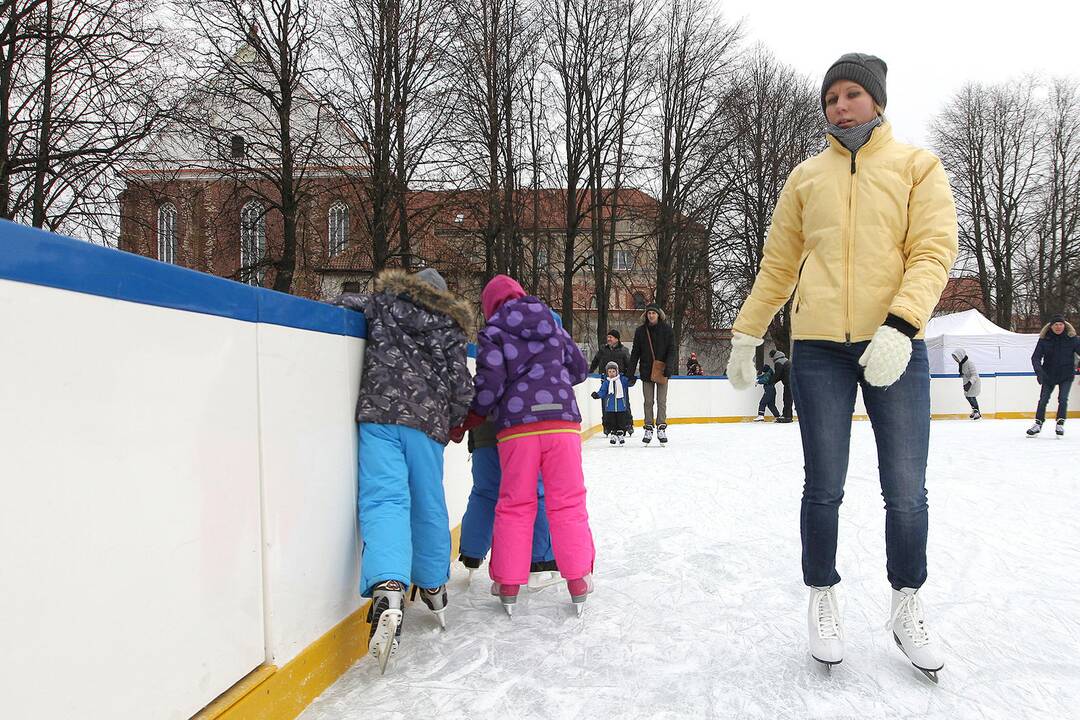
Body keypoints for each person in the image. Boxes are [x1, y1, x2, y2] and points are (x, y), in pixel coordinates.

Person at [724, 53, 957, 680]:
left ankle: (907, 605)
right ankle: (822, 597)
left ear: (877, 100)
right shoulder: (805, 178)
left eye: (852, 94)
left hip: (895, 345)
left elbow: (933, 253)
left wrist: (902, 326)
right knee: (823, 483)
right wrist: (748, 336)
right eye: (831, 98)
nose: (840, 106)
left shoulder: (916, 167)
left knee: (906, 490)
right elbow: (777, 266)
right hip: (821, 347)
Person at [334, 268, 474, 674]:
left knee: (384, 500)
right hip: (426, 426)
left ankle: (389, 585)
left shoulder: (382, 304)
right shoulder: (449, 327)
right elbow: (463, 387)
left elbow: (342, 303)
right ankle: (431, 585)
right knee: (428, 503)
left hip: (378, 416)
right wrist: (452, 420)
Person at [460, 274, 595, 616]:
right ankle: (578, 579)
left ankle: (507, 584)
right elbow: (579, 368)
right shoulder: (549, 321)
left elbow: (488, 387)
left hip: (517, 429)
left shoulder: (493, 331)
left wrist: (470, 419)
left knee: (514, 503)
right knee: (566, 502)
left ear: (490, 306)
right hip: (562, 424)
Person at [456, 419, 557, 583]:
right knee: (535, 492)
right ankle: (540, 560)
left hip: (484, 435)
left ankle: (471, 554)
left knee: (484, 495)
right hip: (522, 432)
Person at [1026, 313, 1080, 437]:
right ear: (1051, 326)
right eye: (1056, 324)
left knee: (1063, 399)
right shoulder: (1044, 340)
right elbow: (1035, 357)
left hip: (1066, 374)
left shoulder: (1073, 339)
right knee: (1043, 400)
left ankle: (1060, 423)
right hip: (1048, 374)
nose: (1058, 327)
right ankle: (1038, 424)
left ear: (1064, 325)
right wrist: (1039, 373)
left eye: (1061, 324)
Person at [629, 303, 676, 444]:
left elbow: (672, 350)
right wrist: (630, 373)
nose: (651, 315)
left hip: (662, 371)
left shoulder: (667, 330)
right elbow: (635, 352)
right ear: (646, 315)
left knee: (662, 401)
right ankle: (648, 427)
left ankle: (661, 426)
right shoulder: (640, 331)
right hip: (646, 370)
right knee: (648, 401)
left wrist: (669, 367)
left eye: (653, 313)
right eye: (649, 313)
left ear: (658, 315)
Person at [587, 329, 635, 434]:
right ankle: (607, 426)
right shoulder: (603, 349)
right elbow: (596, 361)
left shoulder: (623, 350)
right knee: (606, 403)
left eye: (611, 337)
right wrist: (589, 371)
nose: (608, 339)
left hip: (620, 381)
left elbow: (629, 365)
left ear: (617, 339)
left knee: (624, 402)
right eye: (608, 337)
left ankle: (628, 424)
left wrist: (629, 378)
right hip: (606, 379)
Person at [592, 361, 633, 443]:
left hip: (621, 407)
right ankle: (613, 434)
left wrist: (632, 380)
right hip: (610, 408)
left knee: (621, 422)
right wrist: (597, 395)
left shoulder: (622, 380)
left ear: (617, 371)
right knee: (612, 422)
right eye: (609, 372)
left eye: (613, 371)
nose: (611, 373)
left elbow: (629, 383)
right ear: (607, 372)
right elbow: (603, 391)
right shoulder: (606, 382)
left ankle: (621, 434)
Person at [950, 348, 981, 420]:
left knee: (972, 396)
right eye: (955, 358)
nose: (956, 360)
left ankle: (977, 413)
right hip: (967, 382)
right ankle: (974, 410)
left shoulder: (970, 363)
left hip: (974, 382)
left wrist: (969, 383)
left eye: (956, 357)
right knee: (967, 396)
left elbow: (974, 375)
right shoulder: (961, 364)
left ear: (960, 356)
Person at [768, 349, 793, 422]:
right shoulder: (785, 359)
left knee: (787, 399)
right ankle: (788, 416)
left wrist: (771, 381)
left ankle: (787, 417)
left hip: (788, 383)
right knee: (788, 399)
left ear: (773, 356)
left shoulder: (778, 362)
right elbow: (781, 375)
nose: (772, 359)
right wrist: (774, 381)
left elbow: (777, 374)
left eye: (771, 357)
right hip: (791, 382)